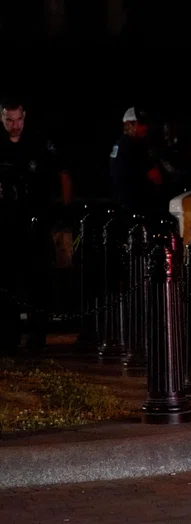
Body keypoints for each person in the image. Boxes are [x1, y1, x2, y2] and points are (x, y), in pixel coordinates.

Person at [0, 96, 73, 353]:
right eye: (9, 119)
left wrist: (62, 211)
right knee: (7, 281)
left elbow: (63, 172)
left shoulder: (39, 143)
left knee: (38, 281)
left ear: (25, 117)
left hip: (37, 222)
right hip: (7, 225)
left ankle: (37, 336)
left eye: (18, 119)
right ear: (1, 118)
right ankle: (8, 337)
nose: (15, 125)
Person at [109, 106, 165, 218]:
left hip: (123, 205)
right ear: (129, 124)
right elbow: (156, 177)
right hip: (136, 207)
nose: (146, 127)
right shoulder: (134, 146)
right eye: (141, 124)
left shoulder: (120, 144)